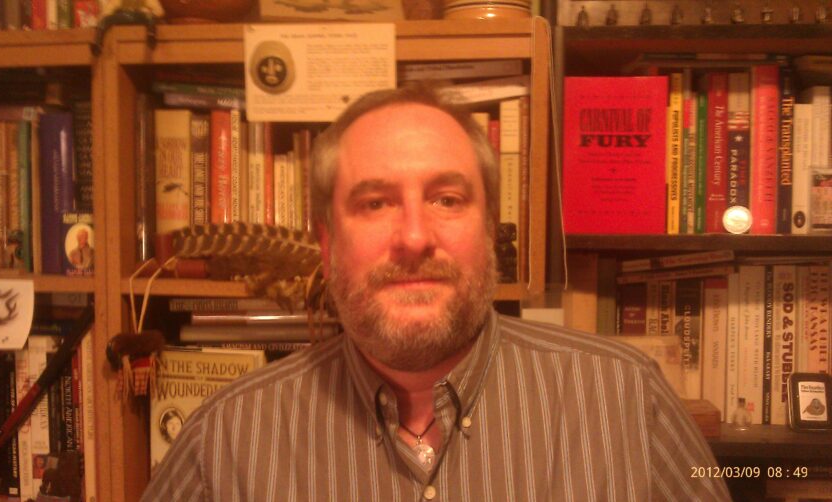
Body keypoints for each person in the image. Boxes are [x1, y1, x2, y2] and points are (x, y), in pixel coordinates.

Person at [142, 85, 731, 501]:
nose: (415, 238)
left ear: (490, 230)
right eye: (374, 203)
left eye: (447, 199)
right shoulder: (225, 440)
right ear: (327, 244)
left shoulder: (626, 401)